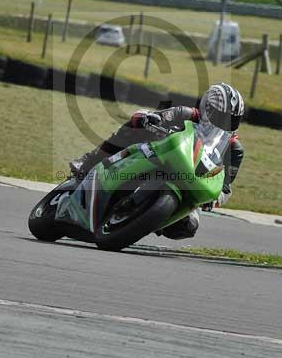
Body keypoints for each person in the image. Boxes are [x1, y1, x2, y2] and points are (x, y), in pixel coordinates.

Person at [69, 83, 245, 240]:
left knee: (188, 227)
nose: (226, 122)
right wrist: (149, 120)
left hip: (192, 182)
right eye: (222, 116)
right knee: (133, 127)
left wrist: (213, 200)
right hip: (158, 155)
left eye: (232, 119)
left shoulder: (234, 148)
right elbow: (159, 117)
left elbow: (226, 188)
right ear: (207, 107)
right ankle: (90, 161)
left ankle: (148, 219)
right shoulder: (186, 113)